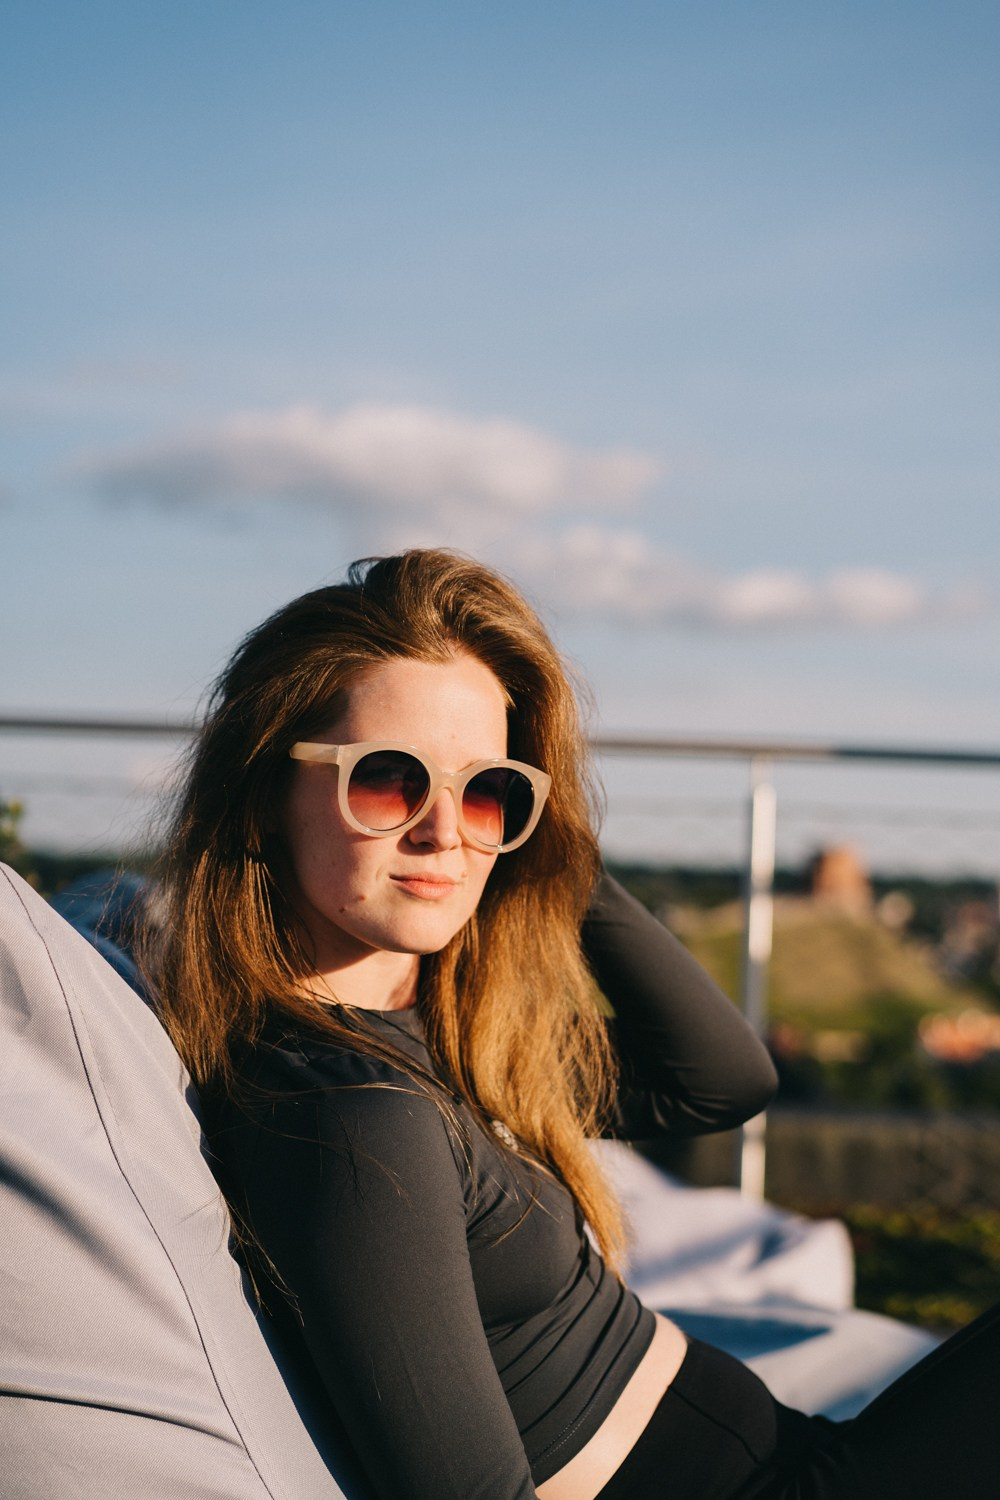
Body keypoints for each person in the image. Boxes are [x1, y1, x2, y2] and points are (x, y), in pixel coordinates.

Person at [146, 549, 1000, 1500]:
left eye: (488, 791)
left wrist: (553, 851)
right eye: (388, 780)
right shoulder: (356, 1120)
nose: (445, 832)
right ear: (262, 795)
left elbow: (718, 1081)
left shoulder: (432, 1038)